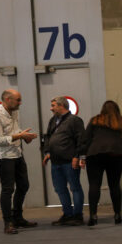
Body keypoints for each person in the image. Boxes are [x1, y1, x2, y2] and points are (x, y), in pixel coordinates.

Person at [0, 89, 38, 234]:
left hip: (17, 154)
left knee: (24, 185)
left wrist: (24, 136)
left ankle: (18, 218)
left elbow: (14, 131)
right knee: (8, 189)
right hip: (4, 157)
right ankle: (8, 223)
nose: (20, 103)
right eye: (18, 100)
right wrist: (19, 136)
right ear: (8, 99)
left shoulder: (14, 112)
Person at [41, 96, 86, 226]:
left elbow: (81, 140)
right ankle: (68, 214)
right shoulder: (52, 120)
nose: (51, 108)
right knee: (60, 189)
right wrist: (47, 153)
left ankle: (77, 216)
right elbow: (48, 137)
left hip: (69, 161)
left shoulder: (75, 120)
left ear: (62, 106)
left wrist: (77, 157)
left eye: (53, 105)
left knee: (75, 187)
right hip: (55, 161)